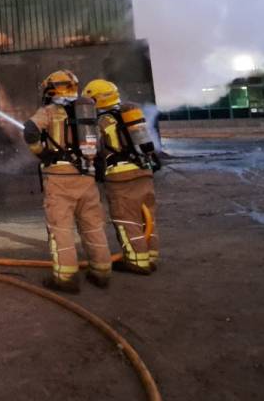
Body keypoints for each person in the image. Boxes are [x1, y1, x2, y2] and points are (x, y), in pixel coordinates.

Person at [22, 70, 112, 293]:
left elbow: (30, 130)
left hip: (60, 177)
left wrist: (42, 154)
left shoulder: (50, 111)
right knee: (93, 225)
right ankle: (101, 272)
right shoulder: (88, 112)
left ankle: (66, 279)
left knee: (60, 227)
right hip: (86, 177)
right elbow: (100, 146)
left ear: (53, 89)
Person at [83, 79, 162, 274]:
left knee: (126, 219)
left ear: (96, 99)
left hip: (120, 176)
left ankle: (136, 261)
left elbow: (91, 150)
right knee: (147, 216)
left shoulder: (100, 122)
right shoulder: (129, 115)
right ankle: (151, 255)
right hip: (144, 170)